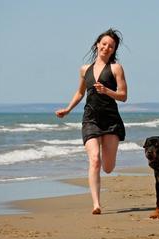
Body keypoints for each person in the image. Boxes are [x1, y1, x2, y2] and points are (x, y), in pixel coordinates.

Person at [55, 29, 127, 215]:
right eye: (104, 44)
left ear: (114, 50)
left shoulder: (116, 68)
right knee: (94, 159)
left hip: (111, 120)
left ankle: (107, 152)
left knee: (108, 168)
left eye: (111, 46)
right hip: (90, 119)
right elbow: (80, 92)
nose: (106, 47)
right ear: (97, 45)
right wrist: (68, 109)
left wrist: (106, 91)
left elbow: (123, 96)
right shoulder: (84, 69)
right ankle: (96, 204)